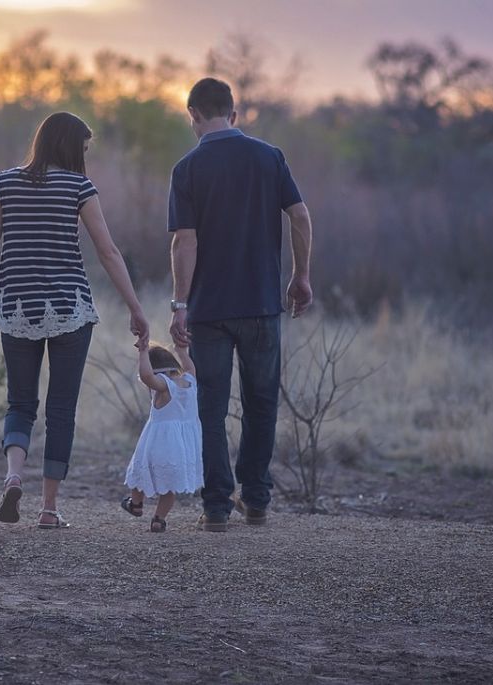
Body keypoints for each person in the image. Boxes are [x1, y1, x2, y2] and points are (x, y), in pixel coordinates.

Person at [0, 111, 149, 530]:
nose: (85, 157)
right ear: (71, 147)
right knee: (61, 409)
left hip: (16, 307)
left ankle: (14, 475)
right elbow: (107, 252)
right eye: (84, 148)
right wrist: (135, 307)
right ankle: (49, 509)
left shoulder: (4, 183)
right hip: (70, 308)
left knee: (20, 402)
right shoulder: (79, 187)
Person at [167, 78, 314, 532]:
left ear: (193, 114)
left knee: (210, 407)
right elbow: (301, 216)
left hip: (209, 310)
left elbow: (183, 242)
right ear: (234, 114)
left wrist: (179, 303)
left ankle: (215, 507)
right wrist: (301, 276)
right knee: (261, 402)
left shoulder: (187, 168)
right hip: (262, 304)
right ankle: (256, 500)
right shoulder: (269, 157)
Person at [120, 342, 203, 533]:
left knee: (140, 474)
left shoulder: (164, 386)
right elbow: (190, 366)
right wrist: (181, 350)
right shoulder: (190, 381)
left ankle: (136, 504)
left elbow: (147, 376)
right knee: (169, 487)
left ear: (157, 371)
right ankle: (159, 519)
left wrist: (142, 353)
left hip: (158, 444)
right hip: (181, 448)